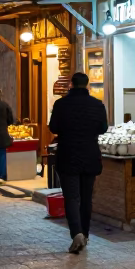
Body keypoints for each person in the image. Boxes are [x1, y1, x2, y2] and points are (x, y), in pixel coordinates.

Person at [48, 72, 108, 254]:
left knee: (72, 197)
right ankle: (86, 234)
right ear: (87, 85)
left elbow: (53, 127)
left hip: (68, 155)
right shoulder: (97, 105)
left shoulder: (60, 104)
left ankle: (77, 234)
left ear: (71, 85)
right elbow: (103, 128)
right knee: (86, 198)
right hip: (90, 155)